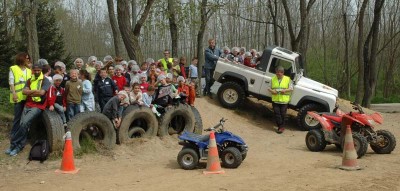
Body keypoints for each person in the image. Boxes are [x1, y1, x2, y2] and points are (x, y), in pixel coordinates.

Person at [6, 64, 51, 156]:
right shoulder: (30, 80)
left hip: (38, 106)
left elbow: (42, 93)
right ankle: (17, 145)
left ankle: (15, 145)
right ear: (33, 71)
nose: (37, 72)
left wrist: (30, 92)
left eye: (39, 70)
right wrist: (35, 91)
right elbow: (23, 91)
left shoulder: (45, 81)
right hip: (28, 104)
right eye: (35, 70)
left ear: (41, 71)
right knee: (23, 125)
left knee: (24, 123)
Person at [8, 53, 32, 140]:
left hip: (27, 97)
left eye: (28, 58)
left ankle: (24, 135)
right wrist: (14, 93)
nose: (28, 60)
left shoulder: (29, 70)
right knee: (17, 117)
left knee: (25, 118)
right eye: (26, 58)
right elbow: (11, 82)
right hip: (17, 96)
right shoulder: (13, 68)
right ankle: (14, 134)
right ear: (21, 59)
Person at [267, 66, 293, 134]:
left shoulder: (287, 79)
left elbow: (291, 88)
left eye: (279, 73)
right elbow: (269, 88)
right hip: (275, 100)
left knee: (283, 114)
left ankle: (281, 126)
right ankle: (281, 127)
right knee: (277, 114)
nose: (277, 74)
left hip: (284, 101)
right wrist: (272, 91)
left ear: (282, 73)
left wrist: (285, 90)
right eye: (277, 73)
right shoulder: (273, 79)